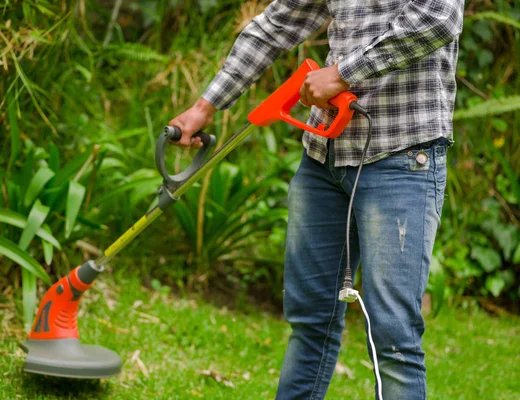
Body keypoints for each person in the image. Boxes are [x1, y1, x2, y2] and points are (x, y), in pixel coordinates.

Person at [169, 0, 464, 398]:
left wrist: (344, 74)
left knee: (393, 338)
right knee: (311, 323)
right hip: (325, 158)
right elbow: (278, 24)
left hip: (403, 156)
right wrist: (206, 105)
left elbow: (438, 18)